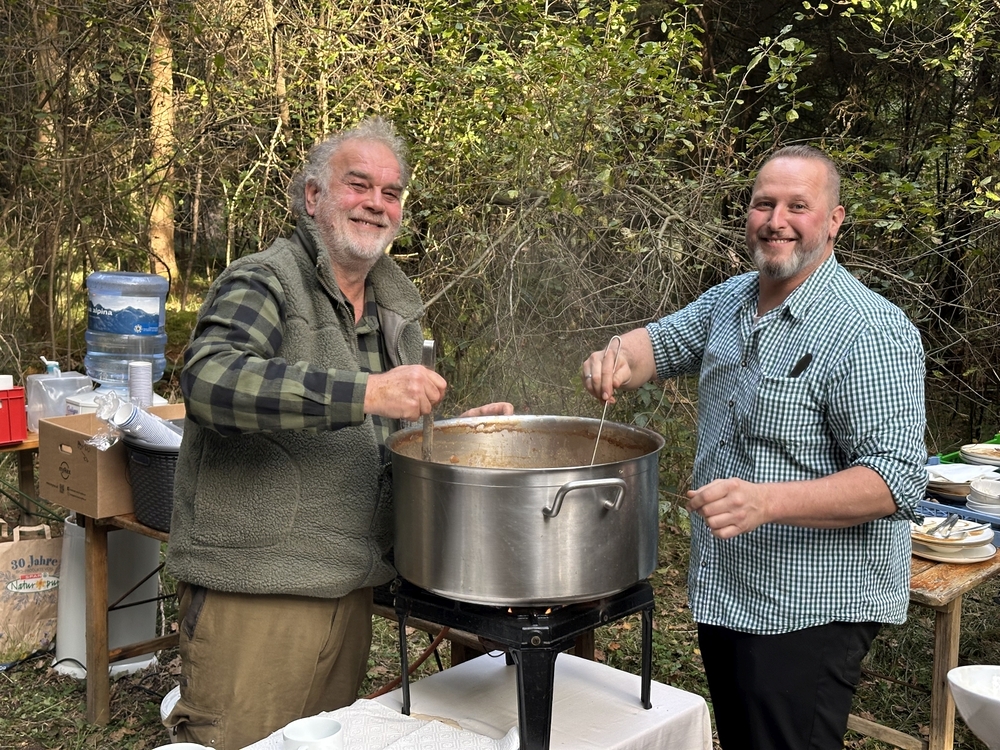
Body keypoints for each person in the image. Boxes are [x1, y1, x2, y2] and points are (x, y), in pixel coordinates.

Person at [163, 117, 512, 749]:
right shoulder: (264, 280)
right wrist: (369, 392)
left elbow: (380, 435)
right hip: (256, 593)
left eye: (391, 192)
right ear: (313, 196)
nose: (376, 203)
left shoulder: (394, 308)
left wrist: (453, 434)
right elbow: (210, 382)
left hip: (349, 587)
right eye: (359, 185)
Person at [582, 145, 927, 750]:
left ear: (834, 221)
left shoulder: (870, 330)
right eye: (764, 204)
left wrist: (767, 502)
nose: (776, 221)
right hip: (730, 589)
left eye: (798, 206)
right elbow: (656, 345)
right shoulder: (731, 300)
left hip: (810, 605)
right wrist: (616, 357)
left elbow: (895, 479)